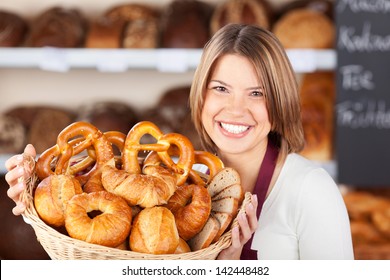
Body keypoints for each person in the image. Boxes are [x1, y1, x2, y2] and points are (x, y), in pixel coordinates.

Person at [4, 23, 354, 260]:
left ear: (279, 104)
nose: (235, 109)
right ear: (200, 96)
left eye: (257, 93)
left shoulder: (310, 190)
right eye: (221, 89)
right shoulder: (183, 182)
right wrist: (44, 203)